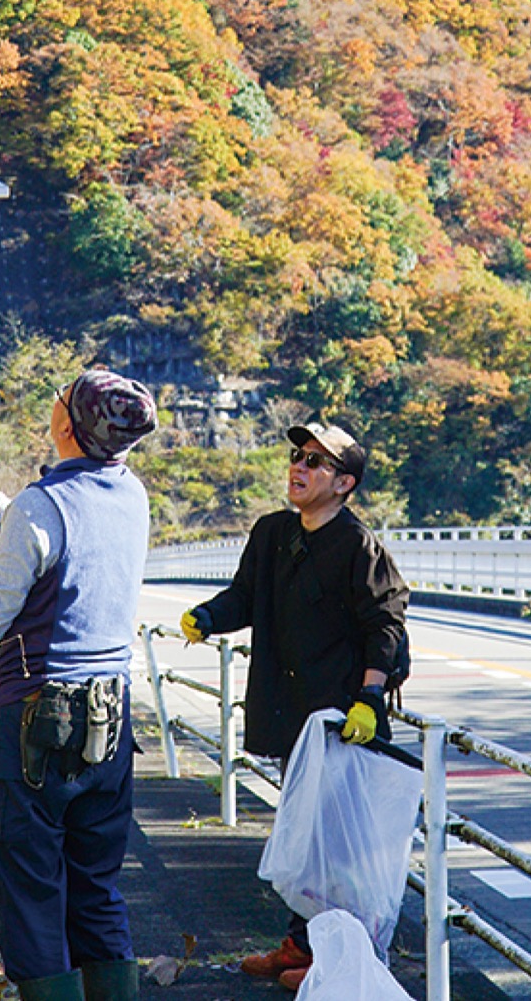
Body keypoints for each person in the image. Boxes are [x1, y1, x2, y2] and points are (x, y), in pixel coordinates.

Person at [0, 365, 157, 1001]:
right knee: (96, 887)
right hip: (110, 726)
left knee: (30, 892)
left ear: (67, 423)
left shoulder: (41, 506)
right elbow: (46, 529)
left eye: (59, 399)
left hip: (36, 723)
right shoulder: (130, 494)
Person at [181, 419, 409, 992]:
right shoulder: (273, 533)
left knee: (337, 844)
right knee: (306, 837)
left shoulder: (359, 546)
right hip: (290, 710)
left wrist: (369, 698)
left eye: (316, 461)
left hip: (339, 719)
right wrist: (209, 616)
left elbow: (386, 624)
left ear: (345, 483)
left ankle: (340, 955)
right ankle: (303, 945)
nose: (300, 467)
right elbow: (246, 597)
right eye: (297, 456)